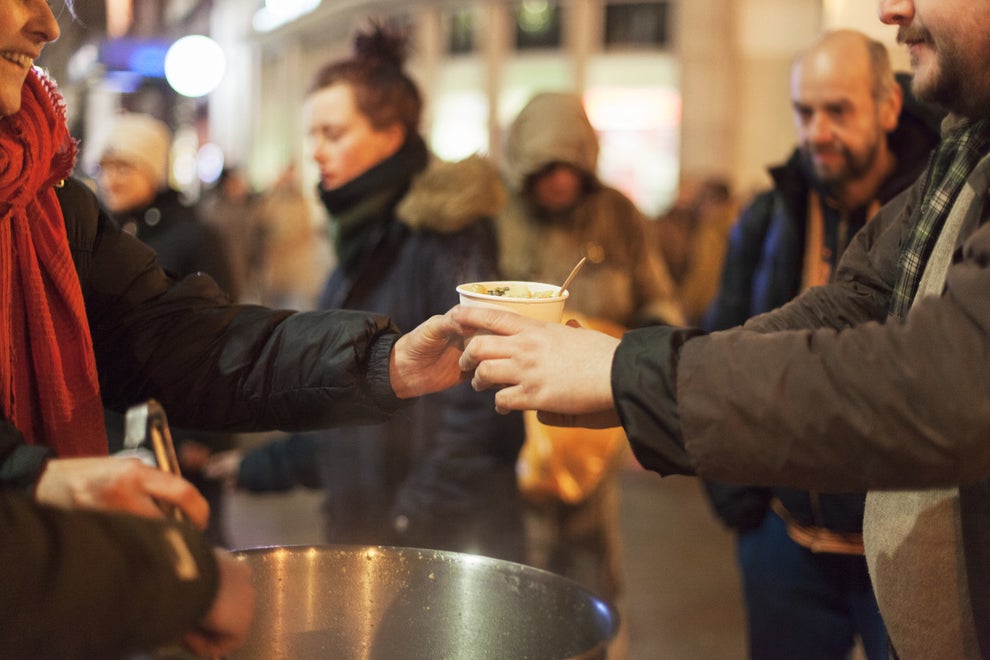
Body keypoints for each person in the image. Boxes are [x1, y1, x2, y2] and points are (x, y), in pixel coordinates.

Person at [452, 1, 990, 656]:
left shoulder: (619, 217)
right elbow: (858, 298)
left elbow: (943, 383)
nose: (892, 8)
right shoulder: (961, 151)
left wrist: (628, 371)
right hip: (784, 525)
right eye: (804, 111)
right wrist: (639, 381)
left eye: (838, 110)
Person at [2, 2, 469, 655]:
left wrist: (384, 360)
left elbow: (183, 337)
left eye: (333, 132)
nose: (46, 24)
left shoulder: (49, 199)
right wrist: (44, 487)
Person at [208, 23, 526, 562]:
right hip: (372, 529)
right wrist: (257, 467)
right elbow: (346, 395)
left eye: (333, 133)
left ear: (392, 134)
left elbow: (482, 401)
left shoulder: (443, 232)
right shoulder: (363, 239)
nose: (315, 152)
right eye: (311, 135)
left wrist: (412, 516)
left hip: (433, 546)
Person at [700, 29, 942, 660]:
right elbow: (723, 334)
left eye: (839, 110)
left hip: (907, 544)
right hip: (784, 538)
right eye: (805, 112)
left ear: (889, 107)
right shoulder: (769, 216)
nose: (817, 132)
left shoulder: (939, 210)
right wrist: (740, 502)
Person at [494, 91, 684, 652]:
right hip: (512, 423)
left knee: (592, 565)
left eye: (568, 166)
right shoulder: (499, 218)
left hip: (593, 426)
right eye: (544, 167)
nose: (557, 180)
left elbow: (658, 305)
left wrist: (650, 394)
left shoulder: (618, 217)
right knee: (516, 565)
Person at [651, 176, 738, 326]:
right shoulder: (735, 225)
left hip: (709, 313)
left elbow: (703, 275)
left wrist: (684, 306)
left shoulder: (712, 230)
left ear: (713, 201)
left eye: (701, 199)